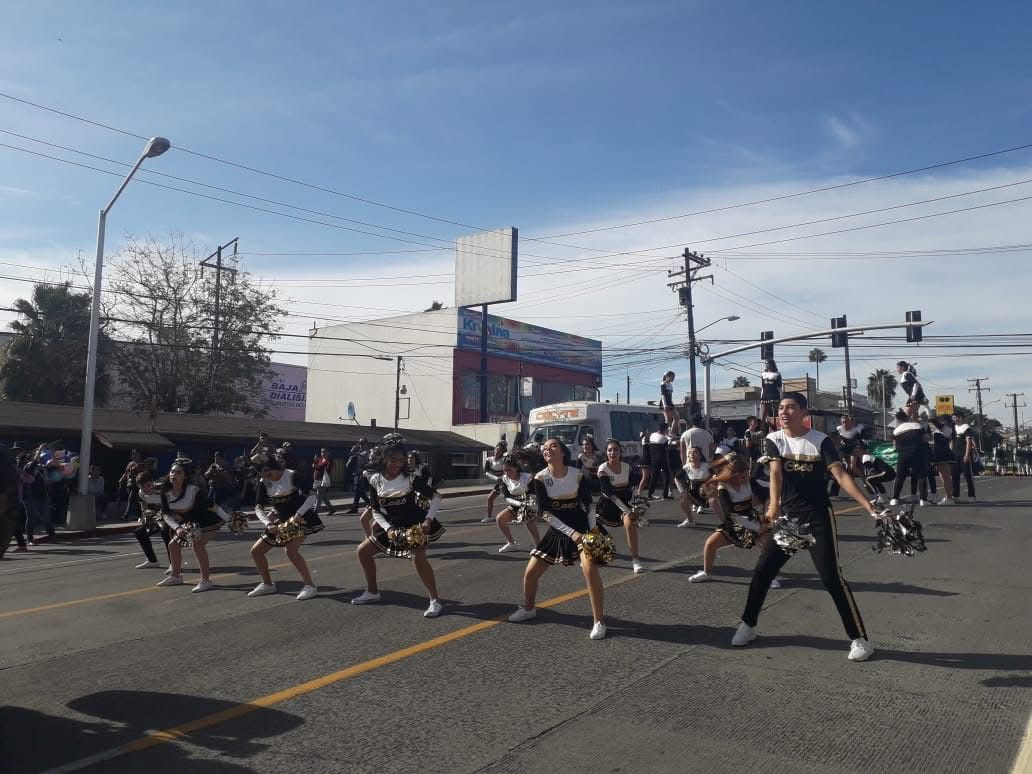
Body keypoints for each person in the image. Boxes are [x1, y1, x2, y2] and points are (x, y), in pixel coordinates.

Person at [732, 393, 879, 662]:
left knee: (831, 579)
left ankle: (860, 639)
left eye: (790, 408)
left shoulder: (821, 441)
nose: (784, 412)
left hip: (817, 518)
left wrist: (867, 505)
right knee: (763, 572)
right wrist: (774, 505)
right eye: (781, 408)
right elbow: (775, 473)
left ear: (803, 413)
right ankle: (748, 625)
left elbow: (840, 475)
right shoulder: (774, 439)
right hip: (789, 521)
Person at [508, 437, 609, 639]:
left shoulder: (577, 474)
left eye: (553, 446)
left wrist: (592, 532)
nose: (547, 449)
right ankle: (529, 608)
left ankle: (599, 622)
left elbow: (588, 505)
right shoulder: (539, 478)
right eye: (545, 448)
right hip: (558, 530)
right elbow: (545, 514)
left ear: (563, 452)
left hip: (582, 528)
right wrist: (571, 533)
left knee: (590, 569)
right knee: (530, 574)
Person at [352, 438, 445, 618]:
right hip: (392, 525)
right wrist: (388, 529)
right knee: (363, 551)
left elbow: (436, 497)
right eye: (393, 460)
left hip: (415, 523)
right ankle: (372, 592)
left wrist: (428, 520)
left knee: (417, 557)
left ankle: (435, 601)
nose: (397, 464)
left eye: (401, 460)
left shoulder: (410, 478)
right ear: (384, 458)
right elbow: (376, 510)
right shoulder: (375, 480)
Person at [687, 458, 774, 585]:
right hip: (734, 522)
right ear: (731, 475)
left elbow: (767, 494)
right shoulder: (723, 487)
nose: (743, 479)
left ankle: (770, 578)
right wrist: (757, 528)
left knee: (766, 546)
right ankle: (706, 573)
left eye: (745, 475)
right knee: (710, 544)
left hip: (752, 518)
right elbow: (730, 514)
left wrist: (766, 508)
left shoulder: (750, 481)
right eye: (739, 477)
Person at [247, 459, 322, 601]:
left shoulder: (292, 475)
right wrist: (268, 523)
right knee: (256, 551)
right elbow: (258, 507)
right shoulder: (264, 482)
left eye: (269, 474)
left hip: (300, 518)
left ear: (276, 468)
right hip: (280, 520)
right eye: (263, 476)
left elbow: (312, 497)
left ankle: (310, 586)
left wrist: (298, 515)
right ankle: (268, 584)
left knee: (291, 551)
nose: (267, 478)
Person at [155, 462, 226, 593]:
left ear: (185, 477)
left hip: (207, 521)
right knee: (173, 545)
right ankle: (176, 577)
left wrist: (229, 519)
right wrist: (177, 528)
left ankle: (206, 581)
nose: (173, 475)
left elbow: (212, 506)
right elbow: (165, 514)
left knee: (197, 545)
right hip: (189, 524)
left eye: (178, 472)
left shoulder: (193, 490)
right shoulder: (165, 492)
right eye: (172, 471)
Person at [595, 439, 646, 573]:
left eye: (616, 450)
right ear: (606, 453)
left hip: (626, 500)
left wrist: (636, 505)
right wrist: (627, 510)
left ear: (620, 452)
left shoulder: (627, 467)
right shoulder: (603, 469)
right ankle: (595, 555)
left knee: (630, 524)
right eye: (610, 450)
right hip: (608, 503)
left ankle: (635, 560)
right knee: (592, 527)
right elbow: (609, 493)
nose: (613, 452)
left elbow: (634, 486)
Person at [486, 455, 541, 553]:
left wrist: (527, 505)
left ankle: (539, 545)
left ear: (516, 468)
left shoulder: (527, 477)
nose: (507, 473)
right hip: (515, 503)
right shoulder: (504, 479)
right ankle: (511, 544)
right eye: (505, 470)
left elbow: (533, 494)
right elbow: (507, 497)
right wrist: (518, 504)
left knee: (527, 518)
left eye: (509, 470)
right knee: (500, 519)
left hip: (530, 503)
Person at [890, 407, 930, 506]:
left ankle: (895, 499)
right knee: (921, 476)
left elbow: (894, 446)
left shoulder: (896, 431)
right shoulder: (917, 425)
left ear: (897, 420)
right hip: (917, 453)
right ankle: (923, 500)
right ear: (907, 418)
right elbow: (926, 438)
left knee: (900, 476)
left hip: (903, 454)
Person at [132, 470, 172, 569]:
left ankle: (174, 563)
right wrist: (146, 519)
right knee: (140, 532)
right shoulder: (141, 493)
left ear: (152, 482)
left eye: (148, 485)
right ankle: (152, 561)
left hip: (173, 513)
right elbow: (144, 507)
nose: (145, 489)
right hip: (158, 514)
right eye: (142, 486)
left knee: (165, 532)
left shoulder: (163, 489)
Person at [676, 446, 710, 528]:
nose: (692, 454)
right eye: (690, 453)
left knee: (718, 503)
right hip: (693, 493)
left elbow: (717, 475)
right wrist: (682, 492)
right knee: (683, 502)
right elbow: (676, 478)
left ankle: (728, 522)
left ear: (700, 455)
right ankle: (690, 521)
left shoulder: (707, 466)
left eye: (695, 452)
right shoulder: (687, 467)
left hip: (708, 493)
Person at [928, 416, 956, 505]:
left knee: (945, 477)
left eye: (942, 420)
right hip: (939, 455)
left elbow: (933, 421)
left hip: (943, 455)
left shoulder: (946, 429)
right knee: (943, 477)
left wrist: (927, 410)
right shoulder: (941, 430)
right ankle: (948, 496)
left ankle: (949, 498)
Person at [950, 414, 978, 502]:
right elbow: (951, 441)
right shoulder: (952, 428)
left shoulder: (966, 427)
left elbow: (969, 442)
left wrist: (967, 455)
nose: (953, 419)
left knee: (967, 475)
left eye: (955, 417)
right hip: (954, 455)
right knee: (954, 475)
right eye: (953, 417)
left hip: (964, 454)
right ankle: (955, 496)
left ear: (960, 418)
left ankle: (971, 496)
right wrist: (950, 453)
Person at [481, 443, 509, 522]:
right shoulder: (489, 459)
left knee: (513, 498)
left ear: (503, 452)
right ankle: (489, 517)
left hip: (507, 482)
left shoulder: (504, 460)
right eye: (497, 449)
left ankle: (520, 515)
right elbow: (486, 472)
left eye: (500, 451)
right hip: (500, 483)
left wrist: (502, 478)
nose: (497, 452)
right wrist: (496, 478)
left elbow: (507, 471)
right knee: (490, 498)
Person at [345, 438, 372, 514]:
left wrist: (364, 465)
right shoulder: (358, 452)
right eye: (360, 443)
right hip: (356, 473)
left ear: (366, 443)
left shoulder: (369, 452)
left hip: (363, 474)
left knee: (357, 489)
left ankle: (355, 507)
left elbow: (370, 463)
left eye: (362, 443)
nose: (361, 445)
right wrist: (353, 452)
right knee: (359, 491)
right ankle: (370, 503)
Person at [646, 422, 672, 500]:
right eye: (667, 429)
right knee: (667, 476)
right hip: (662, 459)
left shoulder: (652, 435)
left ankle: (649, 494)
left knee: (654, 477)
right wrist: (670, 438)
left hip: (654, 458)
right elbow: (669, 446)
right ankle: (665, 495)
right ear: (665, 429)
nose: (668, 430)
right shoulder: (664, 438)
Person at [311, 448, 337, 516]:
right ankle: (331, 509)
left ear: (328, 452)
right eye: (322, 452)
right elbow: (314, 464)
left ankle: (315, 511)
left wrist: (316, 466)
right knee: (323, 495)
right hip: (317, 479)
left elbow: (327, 469)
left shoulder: (329, 460)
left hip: (322, 479)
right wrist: (315, 461)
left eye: (324, 452)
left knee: (319, 495)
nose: (323, 453)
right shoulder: (320, 459)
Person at [759, 360, 783, 427]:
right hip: (766, 393)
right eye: (766, 364)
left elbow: (780, 386)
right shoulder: (763, 374)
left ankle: (779, 424)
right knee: (765, 411)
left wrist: (781, 397)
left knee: (776, 410)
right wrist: (762, 396)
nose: (768, 365)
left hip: (774, 393)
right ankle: (763, 426)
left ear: (773, 364)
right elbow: (763, 386)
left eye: (769, 363)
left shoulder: (777, 374)